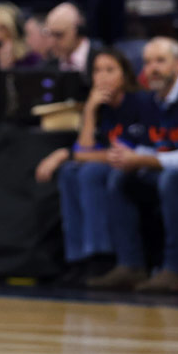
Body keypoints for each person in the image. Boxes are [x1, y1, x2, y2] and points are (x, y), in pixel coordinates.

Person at [91, 38, 178, 292]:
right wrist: (128, 157)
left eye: (160, 61)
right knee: (119, 177)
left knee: (171, 179)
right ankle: (130, 265)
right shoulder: (148, 102)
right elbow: (146, 144)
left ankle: (175, 268)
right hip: (162, 169)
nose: (152, 68)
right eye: (147, 62)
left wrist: (143, 160)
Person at [33, 48, 146, 283]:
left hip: (137, 165)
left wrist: (72, 155)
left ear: (124, 75)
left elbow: (115, 155)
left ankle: (101, 256)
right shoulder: (100, 107)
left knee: (89, 173)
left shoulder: (138, 103)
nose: (102, 77)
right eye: (97, 71)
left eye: (110, 70)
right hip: (107, 162)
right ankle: (78, 257)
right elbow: (84, 148)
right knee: (68, 173)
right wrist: (90, 110)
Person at [43, 3, 91, 72]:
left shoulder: (103, 60)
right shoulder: (48, 66)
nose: (52, 42)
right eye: (50, 34)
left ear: (79, 31)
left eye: (58, 35)